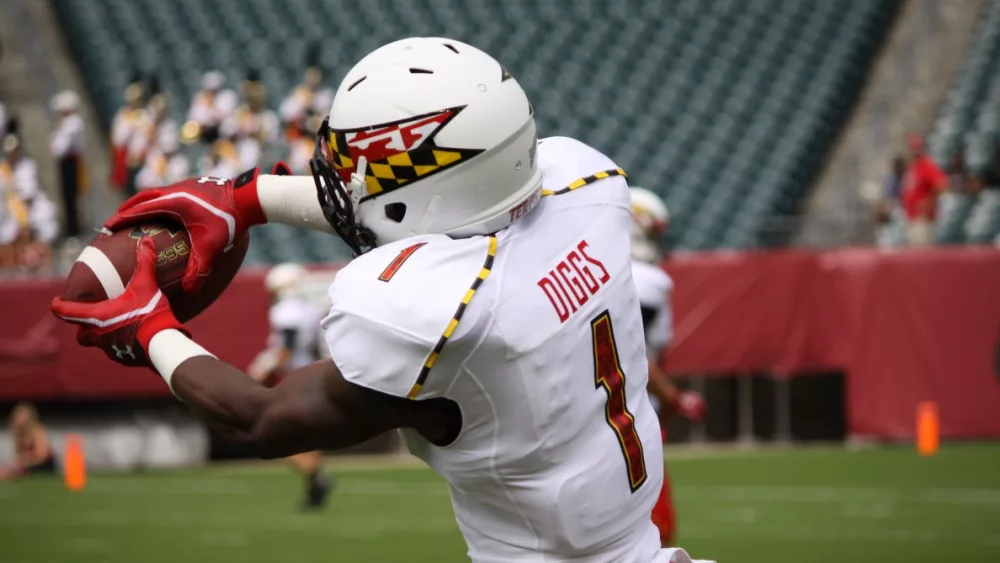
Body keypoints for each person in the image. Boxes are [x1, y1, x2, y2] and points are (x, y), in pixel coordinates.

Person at [51, 37, 712, 563]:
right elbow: (440, 208)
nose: (340, 184)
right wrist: (252, 196)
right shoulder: (585, 183)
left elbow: (260, 420)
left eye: (354, 170)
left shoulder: (454, 317)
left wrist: (149, 325)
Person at [629, 187, 707, 547]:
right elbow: (631, 353)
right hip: (629, 417)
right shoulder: (647, 281)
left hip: (583, 415)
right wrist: (674, 397)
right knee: (656, 527)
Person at [246, 263, 333, 510]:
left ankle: (315, 475)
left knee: (271, 435)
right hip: (310, 375)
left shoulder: (287, 311)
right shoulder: (311, 310)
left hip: (291, 378)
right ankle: (315, 480)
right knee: (300, 436)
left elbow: (287, 349)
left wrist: (261, 370)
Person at [221, 70, 280, 171]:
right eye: (250, 98)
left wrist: (256, 130)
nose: (253, 101)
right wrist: (241, 126)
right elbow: (225, 131)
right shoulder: (239, 114)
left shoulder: (269, 117)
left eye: (256, 98)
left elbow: (271, 141)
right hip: (237, 157)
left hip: (261, 158)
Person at [49, 90, 87, 239]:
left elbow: (59, 148)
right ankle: (72, 228)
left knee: (71, 196)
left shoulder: (73, 123)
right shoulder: (68, 123)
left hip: (70, 163)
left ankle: (74, 230)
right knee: (68, 196)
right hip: (67, 163)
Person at [900, 134, 946, 246]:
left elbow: (942, 184)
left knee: (922, 253)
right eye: (913, 147)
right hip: (912, 218)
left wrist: (928, 202)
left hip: (923, 220)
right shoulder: (912, 166)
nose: (914, 150)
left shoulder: (926, 165)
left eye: (917, 147)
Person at [0, 403, 58, 480]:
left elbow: (41, 456)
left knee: (15, 471)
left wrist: (24, 462)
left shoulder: (38, 430)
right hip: (28, 464)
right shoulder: (17, 433)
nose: (21, 420)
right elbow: (18, 454)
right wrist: (18, 463)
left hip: (44, 465)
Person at [110, 73, 147, 195]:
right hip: (129, 159)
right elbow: (118, 139)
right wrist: (130, 125)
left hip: (144, 159)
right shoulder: (123, 116)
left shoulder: (145, 115)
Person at [185, 71, 238, 144]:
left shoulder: (227, 96)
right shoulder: (200, 98)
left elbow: (220, 116)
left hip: (223, 133)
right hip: (205, 134)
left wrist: (210, 104)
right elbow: (194, 118)